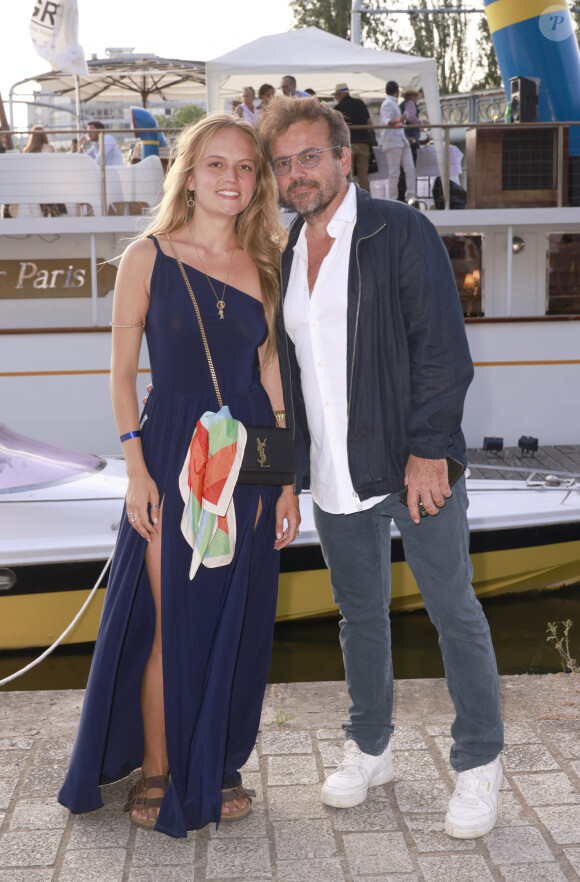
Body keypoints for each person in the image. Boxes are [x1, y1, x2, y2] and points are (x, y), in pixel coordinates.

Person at [257, 97, 504, 840]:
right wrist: (285, 479)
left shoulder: (399, 231)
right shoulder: (288, 255)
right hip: (334, 474)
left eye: (309, 157)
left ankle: (479, 761)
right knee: (358, 617)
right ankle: (371, 747)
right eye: (283, 163)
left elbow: (441, 347)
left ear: (342, 158)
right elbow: (284, 381)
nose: (297, 174)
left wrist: (430, 447)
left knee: (451, 611)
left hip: (411, 467)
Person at [58, 113, 300, 838]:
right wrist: (136, 468)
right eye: (217, 165)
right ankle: (161, 767)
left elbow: (270, 374)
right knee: (174, 617)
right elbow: (121, 373)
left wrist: (285, 479)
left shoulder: (264, 263)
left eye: (246, 168)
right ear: (189, 175)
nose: (233, 179)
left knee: (231, 612)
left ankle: (210, 760)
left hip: (249, 454)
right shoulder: (147, 256)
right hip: (171, 449)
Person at [334, 83, 374, 193]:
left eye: (336, 96)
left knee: (347, 175)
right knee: (363, 175)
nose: (336, 98)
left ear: (341, 94)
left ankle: (348, 199)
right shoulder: (360, 103)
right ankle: (365, 199)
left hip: (348, 145)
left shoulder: (338, 108)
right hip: (364, 142)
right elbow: (370, 123)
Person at [379, 81, 416, 202]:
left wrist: (404, 134)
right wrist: (400, 119)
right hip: (394, 142)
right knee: (397, 172)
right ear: (397, 91)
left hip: (399, 140)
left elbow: (391, 123)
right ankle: (398, 198)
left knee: (407, 169)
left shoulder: (389, 103)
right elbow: (387, 121)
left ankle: (408, 196)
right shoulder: (388, 103)